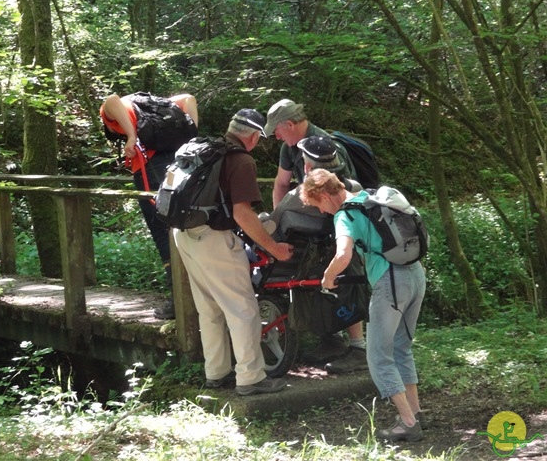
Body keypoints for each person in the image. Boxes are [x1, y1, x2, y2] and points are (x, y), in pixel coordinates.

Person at [173, 108, 293, 396]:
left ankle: (216, 373)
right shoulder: (239, 160)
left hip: (183, 234)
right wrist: (273, 247)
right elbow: (242, 213)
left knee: (209, 308)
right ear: (252, 136)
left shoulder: (204, 149)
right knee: (243, 309)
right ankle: (250, 378)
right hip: (213, 238)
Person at [299, 169, 426, 442]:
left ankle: (407, 422)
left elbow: (343, 254)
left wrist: (328, 277)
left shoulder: (345, 214)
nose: (320, 211)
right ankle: (416, 413)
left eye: (317, 204)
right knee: (401, 347)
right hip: (416, 275)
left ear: (323, 195)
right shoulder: (370, 197)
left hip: (391, 284)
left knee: (378, 356)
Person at [268, 135, 367, 373]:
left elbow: (273, 227)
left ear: (307, 167)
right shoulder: (353, 189)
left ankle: (349, 345)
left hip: (305, 260)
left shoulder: (298, 197)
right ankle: (349, 343)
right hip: (344, 257)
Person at [100, 92, 199, 319]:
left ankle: (178, 302)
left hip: (151, 170)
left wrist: (132, 136)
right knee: (189, 228)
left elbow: (111, 100)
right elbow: (189, 99)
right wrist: (192, 138)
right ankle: (197, 296)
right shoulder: (160, 106)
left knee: (164, 234)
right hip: (182, 167)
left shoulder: (120, 110)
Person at [264, 99, 357, 207]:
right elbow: (281, 184)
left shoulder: (327, 148)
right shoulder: (288, 148)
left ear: (290, 125)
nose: (277, 137)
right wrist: (277, 218)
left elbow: (344, 192)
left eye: (276, 130)